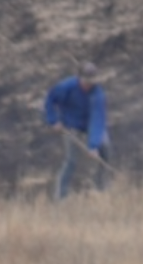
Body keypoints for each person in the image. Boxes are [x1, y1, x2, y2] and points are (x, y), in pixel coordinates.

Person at [42, 64, 110, 200]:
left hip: (90, 125)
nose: (89, 85)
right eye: (86, 81)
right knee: (71, 160)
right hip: (70, 125)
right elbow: (50, 100)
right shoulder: (66, 87)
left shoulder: (98, 94)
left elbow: (97, 120)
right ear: (79, 78)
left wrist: (93, 145)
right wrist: (53, 120)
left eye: (92, 82)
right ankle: (60, 197)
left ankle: (100, 189)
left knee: (106, 150)